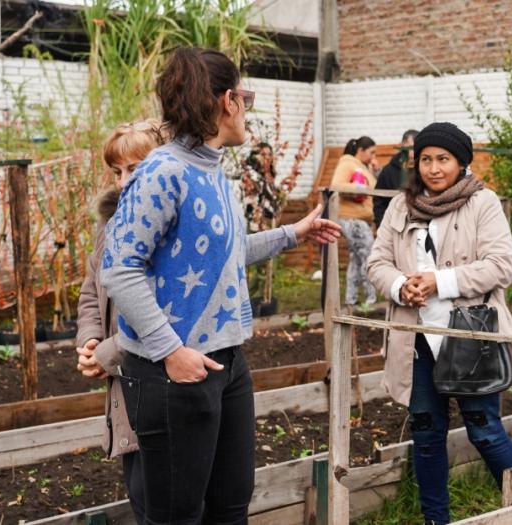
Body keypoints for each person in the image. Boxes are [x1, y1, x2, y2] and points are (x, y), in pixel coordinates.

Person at [100, 47, 341, 524]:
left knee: (230, 507)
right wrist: (170, 350)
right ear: (228, 101)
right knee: (177, 517)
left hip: (227, 364)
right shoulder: (163, 171)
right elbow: (119, 267)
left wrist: (293, 233)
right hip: (172, 371)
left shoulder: (213, 170)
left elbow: (222, 256)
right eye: (245, 97)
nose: (245, 109)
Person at [367, 122, 512, 524]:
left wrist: (440, 281)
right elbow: (378, 263)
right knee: (425, 433)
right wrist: (400, 286)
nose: (434, 168)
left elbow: (499, 267)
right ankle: (435, 519)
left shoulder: (482, 203)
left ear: (461, 163)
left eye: (443, 159)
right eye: (426, 159)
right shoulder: (401, 206)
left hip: (469, 336)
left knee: (484, 429)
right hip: (417, 338)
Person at [75, 119, 168, 523]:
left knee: (166, 503)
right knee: (142, 494)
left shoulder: (168, 230)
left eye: (136, 168)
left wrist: (106, 354)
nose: (124, 181)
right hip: (124, 387)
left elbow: (163, 311)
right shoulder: (111, 226)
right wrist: (91, 341)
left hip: (162, 389)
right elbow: (90, 291)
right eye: (118, 171)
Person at [331, 136, 379, 306]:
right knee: (369, 257)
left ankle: (351, 299)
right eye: (371, 152)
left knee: (357, 260)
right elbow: (336, 185)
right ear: (361, 151)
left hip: (360, 219)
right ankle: (371, 299)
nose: (374, 156)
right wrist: (360, 189)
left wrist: (373, 171)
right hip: (353, 219)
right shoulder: (348, 163)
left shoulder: (362, 167)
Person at [374, 129, 419, 227]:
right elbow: (379, 202)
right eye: (409, 148)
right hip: (393, 226)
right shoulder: (388, 171)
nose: (412, 153)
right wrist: (382, 225)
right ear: (402, 146)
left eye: (416, 148)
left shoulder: (424, 170)